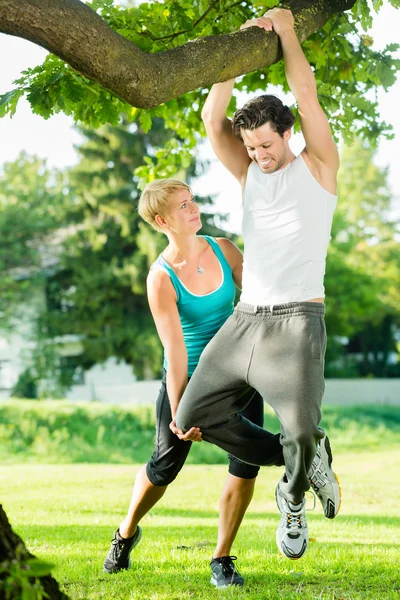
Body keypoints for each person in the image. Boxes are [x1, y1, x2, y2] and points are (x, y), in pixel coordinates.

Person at [175, 7, 342, 562]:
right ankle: (305, 455)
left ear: (288, 134)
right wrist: (237, 46)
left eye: (266, 145)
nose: (258, 156)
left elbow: (306, 91)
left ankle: (293, 498)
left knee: (298, 429)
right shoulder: (248, 173)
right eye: (251, 148)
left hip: (297, 321)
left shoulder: (317, 167)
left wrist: (287, 30)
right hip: (246, 321)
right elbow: (210, 117)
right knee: (190, 416)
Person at [103, 178, 285, 588]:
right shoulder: (162, 277)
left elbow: (264, 297)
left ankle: (222, 559)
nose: (194, 208)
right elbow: (175, 352)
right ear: (162, 219)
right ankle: (126, 532)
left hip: (237, 376)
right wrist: (183, 410)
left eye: (192, 200)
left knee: (246, 464)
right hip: (186, 379)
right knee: (164, 467)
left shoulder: (223, 250)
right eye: (183, 206)